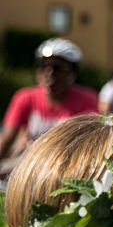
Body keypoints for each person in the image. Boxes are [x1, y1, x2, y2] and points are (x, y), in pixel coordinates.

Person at [0, 38, 99, 176]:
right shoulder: (24, 97)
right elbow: (6, 139)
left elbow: (92, 144)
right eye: (43, 66)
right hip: (28, 164)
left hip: (68, 168)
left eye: (57, 68)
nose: (49, 73)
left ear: (72, 73)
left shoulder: (87, 100)